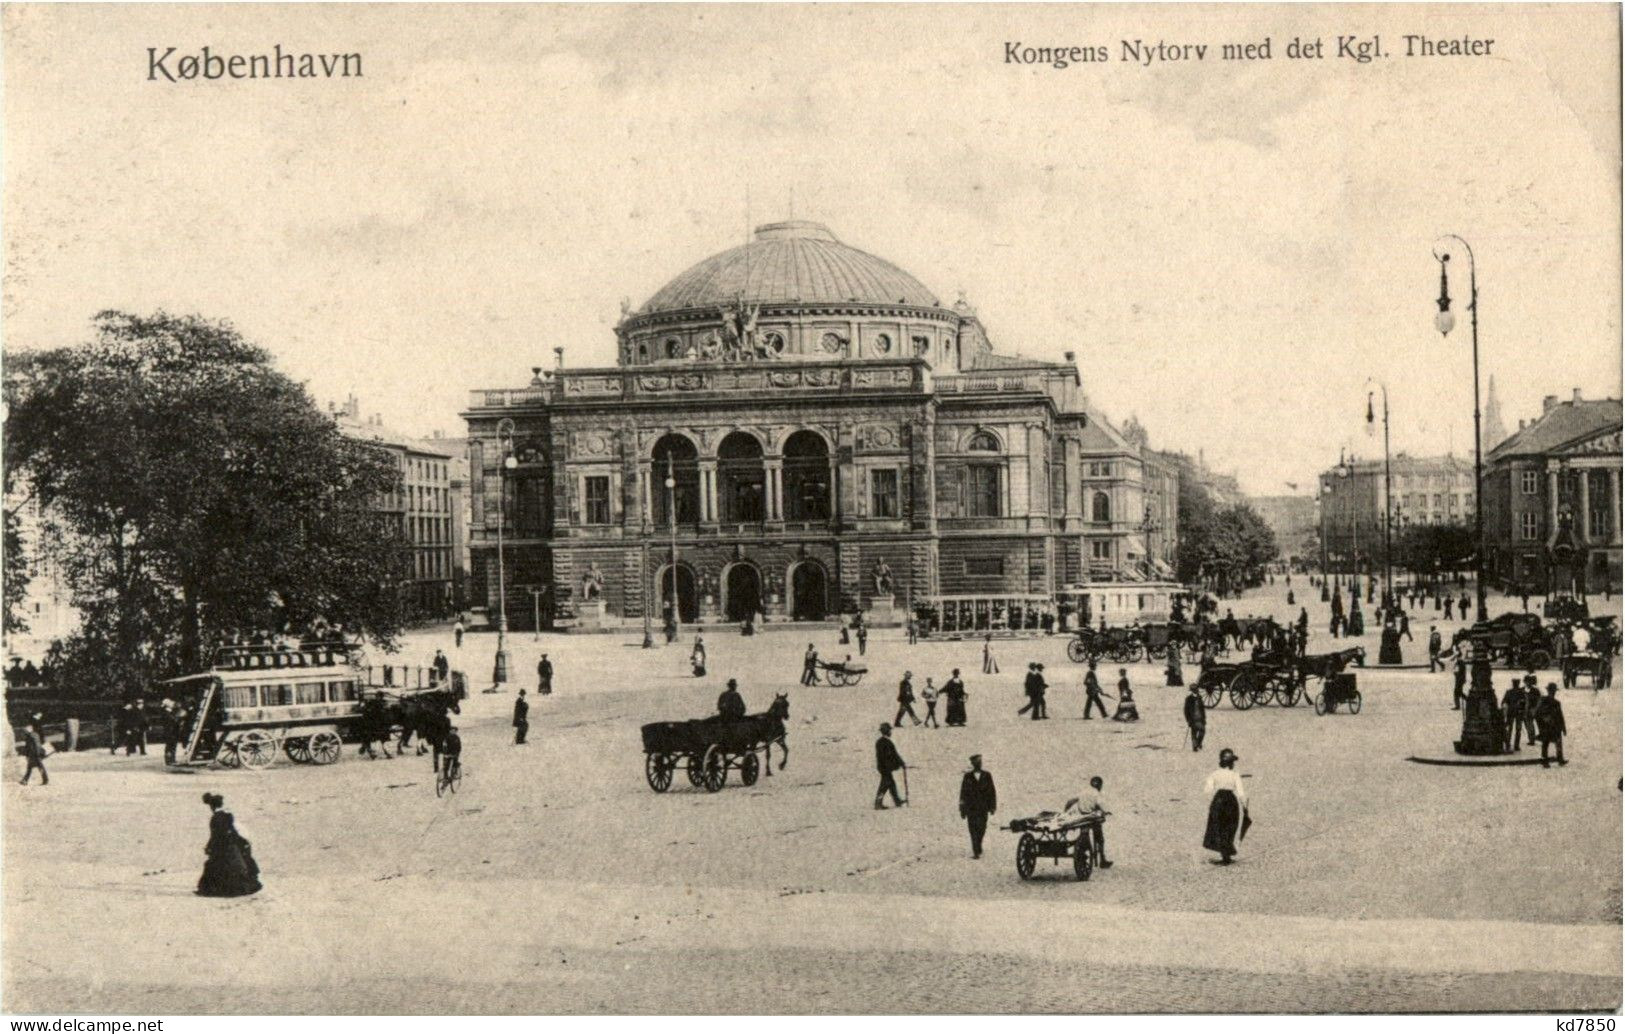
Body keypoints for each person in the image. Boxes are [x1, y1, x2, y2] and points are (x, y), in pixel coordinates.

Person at [196, 793, 260, 897]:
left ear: (212, 806)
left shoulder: (216, 818)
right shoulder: (228, 815)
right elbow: (232, 831)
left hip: (221, 846)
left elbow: (215, 834)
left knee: (216, 867)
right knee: (234, 866)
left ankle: (218, 890)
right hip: (231, 845)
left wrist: (209, 846)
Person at [1202, 748, 1247, 865]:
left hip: (1218, 800)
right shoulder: (1234, 775)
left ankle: (1224, 854)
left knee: (1218, 826)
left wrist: (1212, 803)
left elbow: (1207, 790)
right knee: (1230, 826)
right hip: (1231, 801)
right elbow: (1241, 792)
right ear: (1231, 763)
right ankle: (1226, 854)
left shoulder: (1214, 774)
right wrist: (1244, 805)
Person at [1062, 776, 1111, 868]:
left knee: (1084, 833)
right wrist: (1106, 812)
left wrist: (1064, 812)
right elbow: (1101, 805)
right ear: (1100, 785)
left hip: (1081, 817)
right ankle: (1102, 859)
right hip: (1091, 818)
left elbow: (1070, 801)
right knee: (1100, 838)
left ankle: (1084, 844)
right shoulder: (1097, 794)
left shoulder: (1084, 791)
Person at [958, 754, 997, 858]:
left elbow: (992, 792)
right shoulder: (967, 777)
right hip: (971, 808)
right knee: (972, 829)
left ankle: (978, 845)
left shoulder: (987, 775)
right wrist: (962, 809)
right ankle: (976, 850)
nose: (979, 764)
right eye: (977, 762)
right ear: (973, 764)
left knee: (982, 828)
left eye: (980, 762)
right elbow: (963, 793)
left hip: (983, 808)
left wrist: (992, 806)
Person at [1534, 684, 1567, 768]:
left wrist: (1563, 728)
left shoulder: (1556, 702)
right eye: (1552, 691)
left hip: (1554, 726)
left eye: (1554, 691)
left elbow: (1560, 716)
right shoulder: (1544, 701)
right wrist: (1542, 722)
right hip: (1547, 726)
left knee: (1556, 743)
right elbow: (1537, 713)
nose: (1553, 693)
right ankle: (1546, 761)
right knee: (1547, 743)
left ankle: (1559, 759)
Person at [874, 723, 906, 809]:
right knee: (884, 785)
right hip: (885, 767)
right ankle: (878, 803)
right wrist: (899, 763)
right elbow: (892, 755)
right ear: (886, 731)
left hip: (883, 767)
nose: (890, 732)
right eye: (889, 730)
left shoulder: (881, 742)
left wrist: (900, 762)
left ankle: (897, 801)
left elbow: (892, 755)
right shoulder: (886, 742)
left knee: (891, 784)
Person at [19, 715, 48, 785]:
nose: (24, 732)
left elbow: (37, 745)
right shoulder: (30, 736)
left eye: (25, 731)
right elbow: (28, 746)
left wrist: (38, 753)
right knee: (31, 767)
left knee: (35, 767)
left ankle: (44, 779)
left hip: (35, 754)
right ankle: (25, 780)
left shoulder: (33, 735)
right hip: (33, 754)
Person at [1501, 678, 1527, 751]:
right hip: (1518, 713)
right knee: (1517, 730)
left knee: (1510, 729)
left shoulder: (1509, 692)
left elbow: (1503, 701)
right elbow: (1524, 703)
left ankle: (1508, 744)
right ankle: (1516, 745)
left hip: (1511, 712)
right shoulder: (1521, 692)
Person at [1183, 685, 1207, 751]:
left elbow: (1202, 709)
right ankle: (1195, 746)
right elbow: (1186, 710)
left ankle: (1198, 743)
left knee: (1202, 731)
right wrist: (1188, 720)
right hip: (1193, 719)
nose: (1197, 691)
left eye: (1197, 690)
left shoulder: (1200, 698)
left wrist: (1204, 718)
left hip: (1200, 718)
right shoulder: (1188, 699)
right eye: (1195, 690)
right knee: (1194, 732)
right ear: (1192, 691)